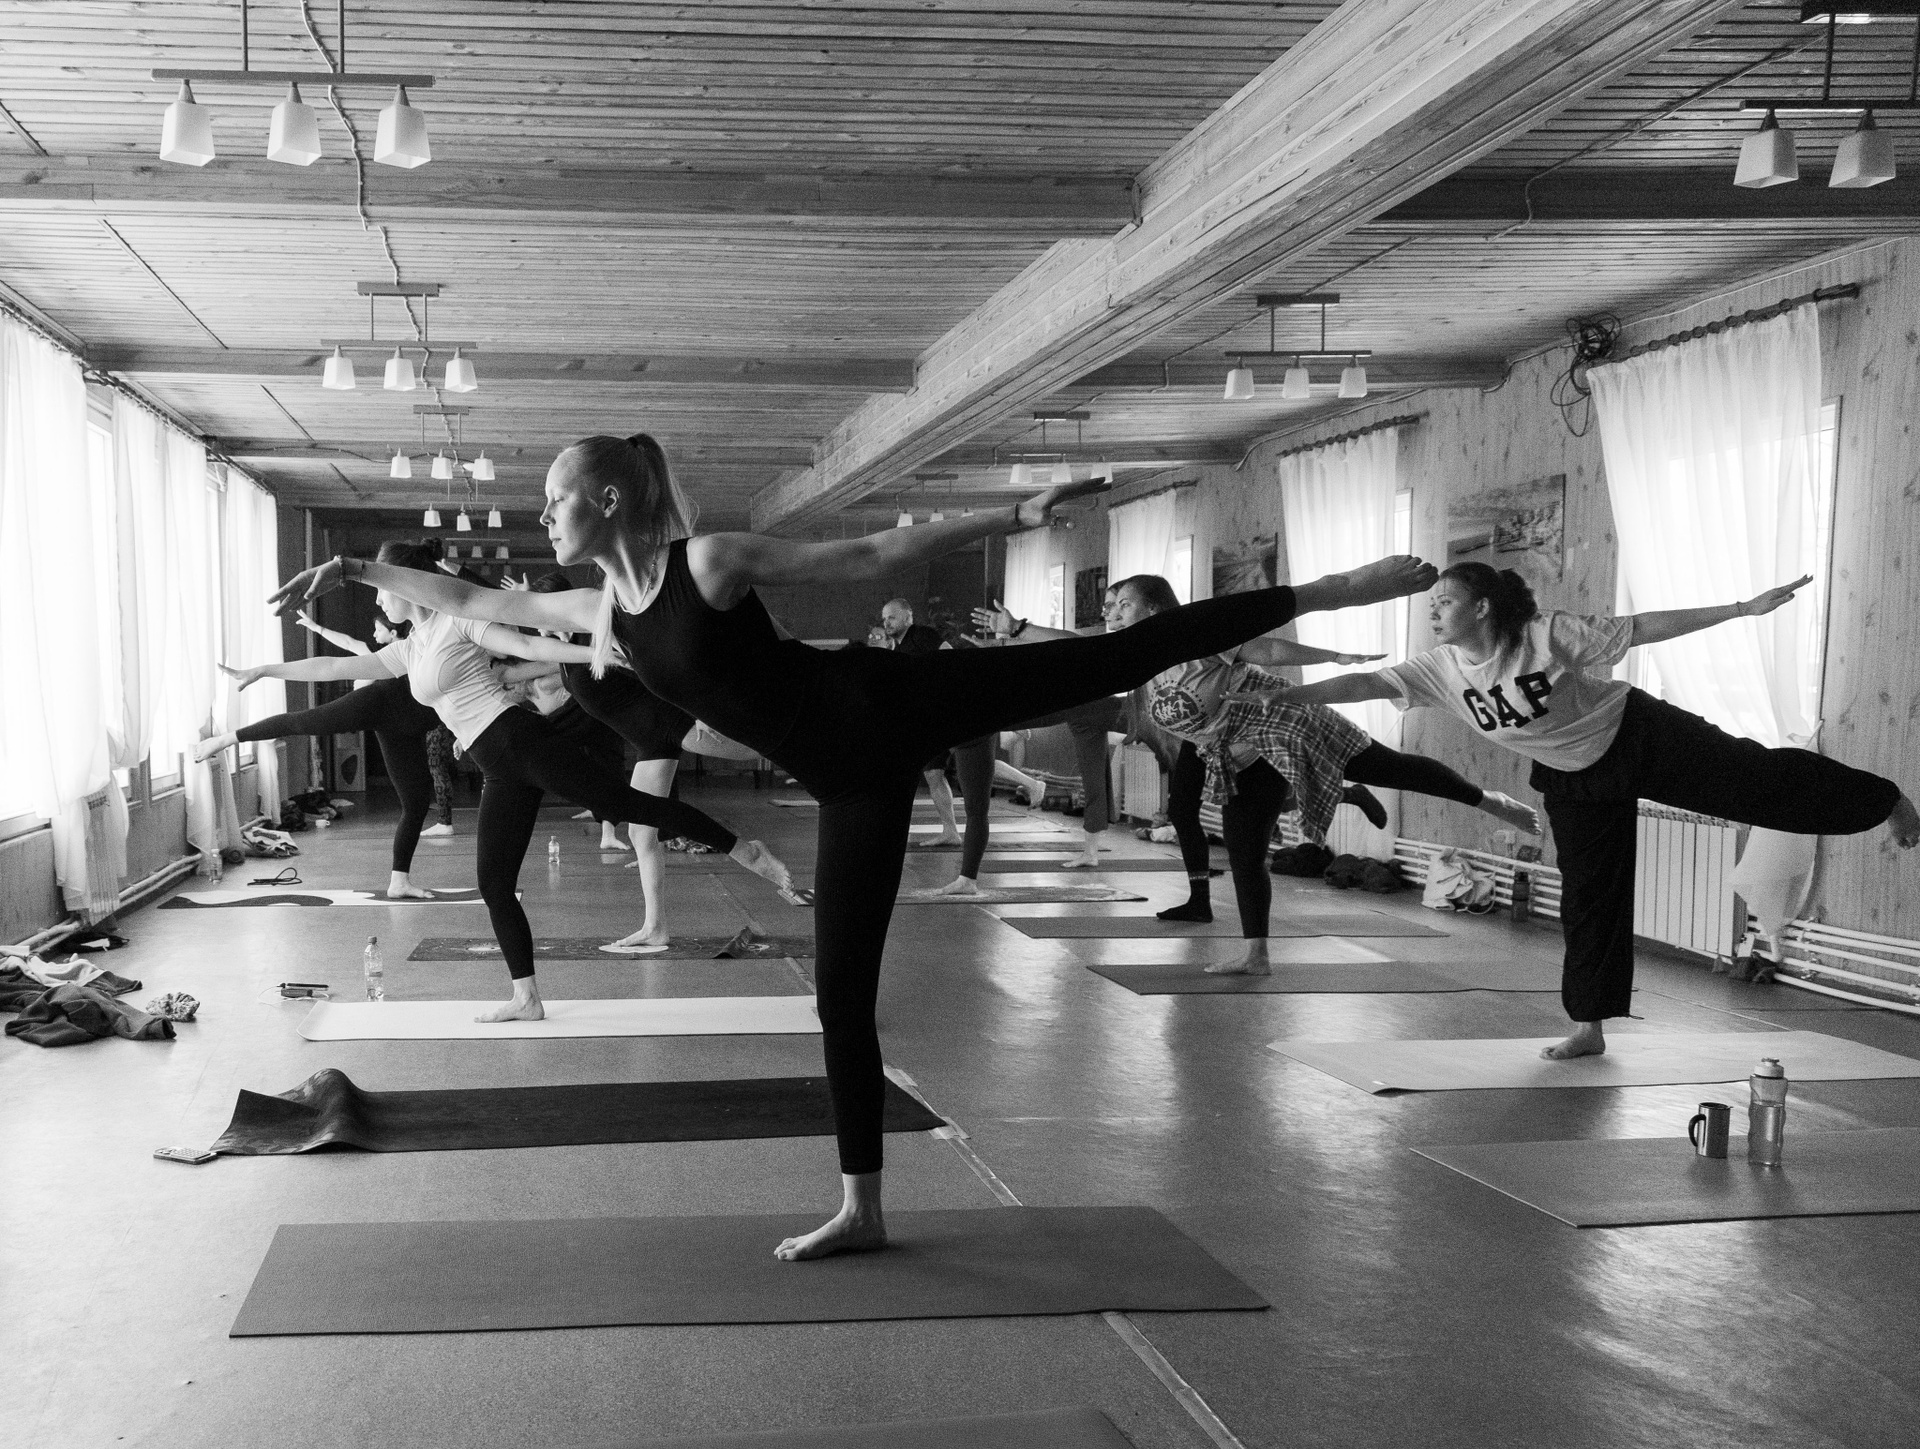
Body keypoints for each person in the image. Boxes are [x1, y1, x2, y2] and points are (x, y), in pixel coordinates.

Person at [266, 433, 1437, 1260]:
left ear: (610, 501)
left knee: (1117, 656)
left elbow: (873, 558)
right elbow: (470, 602)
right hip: (848, 785)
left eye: (558, 495)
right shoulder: (601, 612)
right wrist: (357, 569)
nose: (545, 511)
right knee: (839, 999)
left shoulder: (707, 564)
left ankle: (1332, 587)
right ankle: (863, 1208)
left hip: (887, 704)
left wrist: (1013, 517)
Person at [1281, 562, 1920, 1058]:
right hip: (1570, 776)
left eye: (1444, 602)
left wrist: (1740, 609)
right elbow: (1366, 683)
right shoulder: (1439, 669)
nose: (1433, 614)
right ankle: (1589, 1027)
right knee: (1589, 896)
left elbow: (1639, 628)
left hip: (1637, 735)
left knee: (1754, 780)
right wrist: (1291, 699)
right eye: (1431, 607)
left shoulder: (1544, 634)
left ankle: (1884, 800)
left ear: (1481, 606)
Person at [235, 540, 792, 1022]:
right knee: (495, 884)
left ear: (407, 583)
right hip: (497, 765)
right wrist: (267, 670)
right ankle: (527, 998)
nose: (380, 601)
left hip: (523, 741)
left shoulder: (458, 620)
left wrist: (593, 650)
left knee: (631, 805)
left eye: (384, 590)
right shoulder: (410, 647)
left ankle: (745, 850)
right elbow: (337, 668)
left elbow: (526, 646)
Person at [1110, 573, 1540, 975]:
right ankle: (1256, 955)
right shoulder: (1137, 660)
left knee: (1390, 769)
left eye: (1124, 604)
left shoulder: (1197, 635)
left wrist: (1333, 656)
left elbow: (1270, 651)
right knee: (1244, 849)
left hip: (1284, 719)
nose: (1114, 613)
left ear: (1153, 609)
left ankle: (1489, 800)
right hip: (1233, 751)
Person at [496, 572, 698, 951]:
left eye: (543, 614)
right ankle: (655, 927)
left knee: (766, 743)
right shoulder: (564, 649)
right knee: (641, 833)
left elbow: (653, 662)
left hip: (671, 726)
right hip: (651, 742)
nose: (538, 624)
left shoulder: (596, 637)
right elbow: (521, 656)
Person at [196, 612, 444, 898]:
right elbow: (331, 666)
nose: (378, 604)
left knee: (416, 804)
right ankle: (226, 739)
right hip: (379, 704)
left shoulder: (460, 657)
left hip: (411, 728)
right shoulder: (405, 650)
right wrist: (265, 670)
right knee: (302, 722)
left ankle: (399, 882)